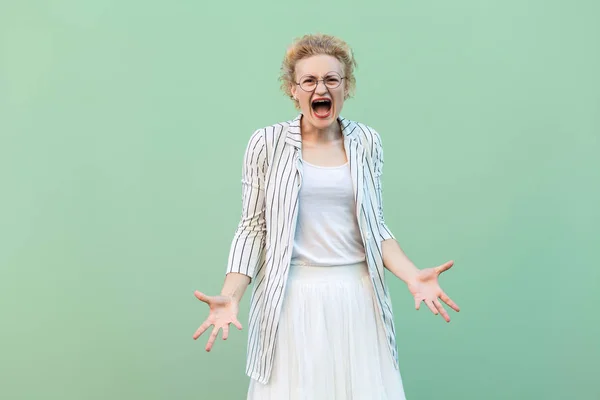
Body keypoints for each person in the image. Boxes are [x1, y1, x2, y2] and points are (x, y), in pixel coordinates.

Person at [192, 33, 460, 399]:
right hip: (291, 300)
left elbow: (374, 225)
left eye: (332, 79)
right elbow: (253, 228)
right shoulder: (266, 143)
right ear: (293, 90)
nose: (322, 87)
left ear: (346, 87)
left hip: (358, 298)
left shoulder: (367, 141)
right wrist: (230, 294)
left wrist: (412, 275)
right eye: (310, 80)